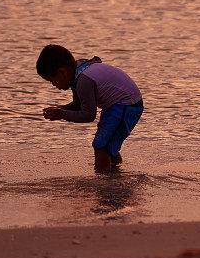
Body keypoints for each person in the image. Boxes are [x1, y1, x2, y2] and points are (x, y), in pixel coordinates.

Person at [36, 44, 143, 172]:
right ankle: (115, 176)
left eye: (52, 81)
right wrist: (60, 109)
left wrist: (62, 114)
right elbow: (78, 105)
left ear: (62, 72)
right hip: (120, 105)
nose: (53, 85)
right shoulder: (79, 72)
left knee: (100, 146)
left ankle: (102, 183)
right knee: (107, 143)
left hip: (126, 106)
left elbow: (88, 115)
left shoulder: (83, 81)